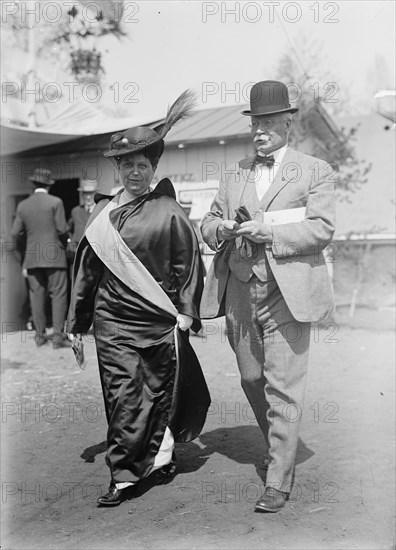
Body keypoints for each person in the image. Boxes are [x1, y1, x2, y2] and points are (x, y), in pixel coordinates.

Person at [67, 90, 211, 507]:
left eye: (142, 165)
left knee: (159, 391)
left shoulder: (169, 210)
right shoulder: (102, 216)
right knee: (124, 394)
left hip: (158, 322)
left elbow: (189, 265)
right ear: (118, 167)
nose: (134, 171)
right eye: (127, 164)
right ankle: (126, 475)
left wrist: (186, 312)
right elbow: (86, 274)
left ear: (153, 167)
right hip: (112, 321)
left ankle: (161, 458)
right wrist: (76, 325)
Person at [200, 80, 336, 513]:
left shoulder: (316, 171)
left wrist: (271, 232)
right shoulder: (234, 172)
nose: (259, 130)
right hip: (240, 289)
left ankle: (278, 478)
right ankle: (278, 444)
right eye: (254, 122)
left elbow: (322, 229)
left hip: (288, 292)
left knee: (283, 388)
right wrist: (217, 228)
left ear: (287, 122)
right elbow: (208, 219)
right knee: (252, 378)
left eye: (268, 122)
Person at [11, 168, 71, 349]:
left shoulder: (23, 205)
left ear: (34, 184)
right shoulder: (56, 202)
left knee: (36, 296)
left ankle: (39, 336)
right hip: (54, 256)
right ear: (48, 185)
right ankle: (59, 337)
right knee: (58, 295)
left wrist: (26, 250)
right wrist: (66, 241)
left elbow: (15, 233)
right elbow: (61, 229)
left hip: (32, 258)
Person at [66, 179, 98, 267]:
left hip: (96, 258)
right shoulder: (75, 211)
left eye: (91, 194)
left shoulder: (101, 211)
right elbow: (68, 231)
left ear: (96, 194)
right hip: (78, 258)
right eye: (85, 194)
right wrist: (71, 243)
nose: (88, 197)